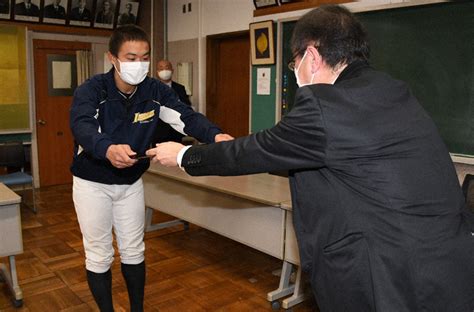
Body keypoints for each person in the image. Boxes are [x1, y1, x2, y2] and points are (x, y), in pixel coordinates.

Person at [147, 5, 474, 312]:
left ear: (312, 56)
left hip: (389, 276)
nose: (296, 73)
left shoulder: (326, 105)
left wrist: (185, 154)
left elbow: (260, 151)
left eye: (294, 63)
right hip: (446, 266)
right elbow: (320, 155)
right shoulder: (389, 89)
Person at [69, 24, 232, 312]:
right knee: (99, 254)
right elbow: (83, 126)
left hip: (130, 182)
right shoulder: (92, 89)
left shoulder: (154, 90)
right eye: (131, 58)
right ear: (112, 58)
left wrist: (215, 135)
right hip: (92, 184)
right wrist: (107, 148)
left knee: (134, 250)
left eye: (144, 57)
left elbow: (186, 117)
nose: (139, 64)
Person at [153, 59, 192, 144]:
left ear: (172, 70)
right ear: (156, 72)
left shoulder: (180, 88)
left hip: (176, 131)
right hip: (158, 132)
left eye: (167, 67)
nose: (164, 70)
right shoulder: (152, 88)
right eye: (161, 68)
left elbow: (186, 105)